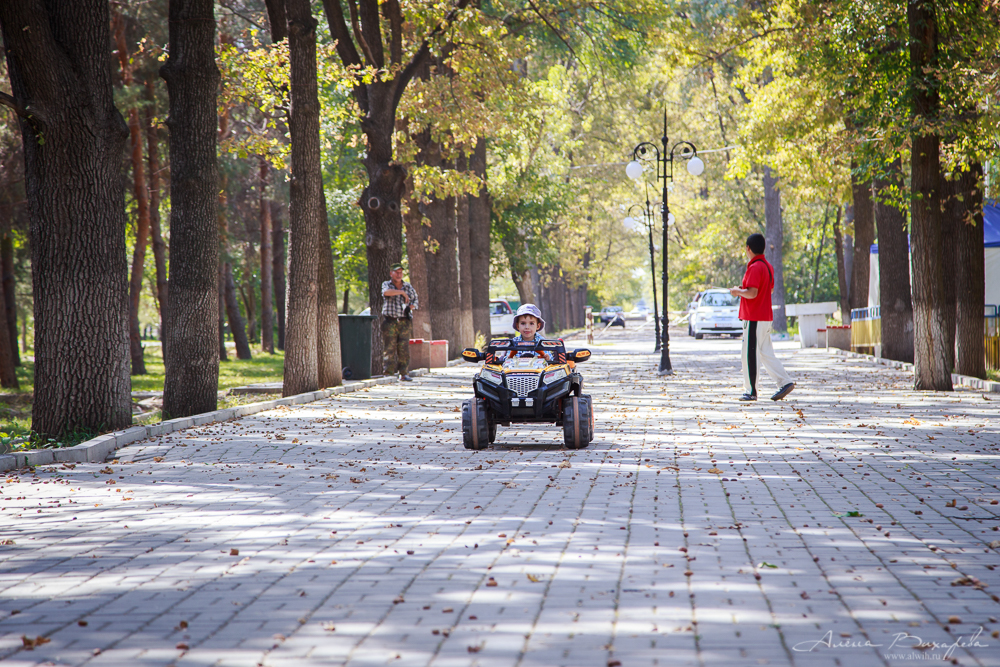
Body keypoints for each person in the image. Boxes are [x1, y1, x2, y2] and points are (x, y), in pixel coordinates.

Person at [729, 233, 795, 401]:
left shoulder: (754, 267)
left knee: (749, 354)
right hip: (765, 316)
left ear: (748, 248)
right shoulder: (767, 266)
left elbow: (752, 293)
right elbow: (769, 290)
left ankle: (751, 391)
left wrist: (738, 292)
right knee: (765, 352)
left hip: (754, 317)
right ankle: (785, 381)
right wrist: (743, 290)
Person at [381, 263, 419, 381]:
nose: (399, 275)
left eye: (400, 272)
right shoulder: (387, 284)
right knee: (389, 348)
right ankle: (389, 373)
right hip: (390, 321)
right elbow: (386, 293)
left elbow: (416, 300)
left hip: (404, 321)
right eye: (396, 272)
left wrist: (410, 307)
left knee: (403, 348)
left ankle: (404, 373)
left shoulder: (408, 286)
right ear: (391, 273)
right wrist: (401, 293)